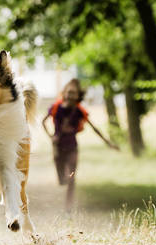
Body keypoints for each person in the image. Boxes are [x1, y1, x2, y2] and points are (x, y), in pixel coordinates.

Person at [42, 79, 118, 211]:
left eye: (73, 93)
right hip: (58, 148)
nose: (70, 95)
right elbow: (43, 122)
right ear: (64, 93)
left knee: (71, 178)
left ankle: (68, 207)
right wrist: (51, 136)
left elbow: (94, 128)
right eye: (69, 92)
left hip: (72, 148)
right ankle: (64, 185)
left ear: (78, 96)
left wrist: (109, 143)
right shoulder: (56, 108)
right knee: (62, 180)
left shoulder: (79, 111)